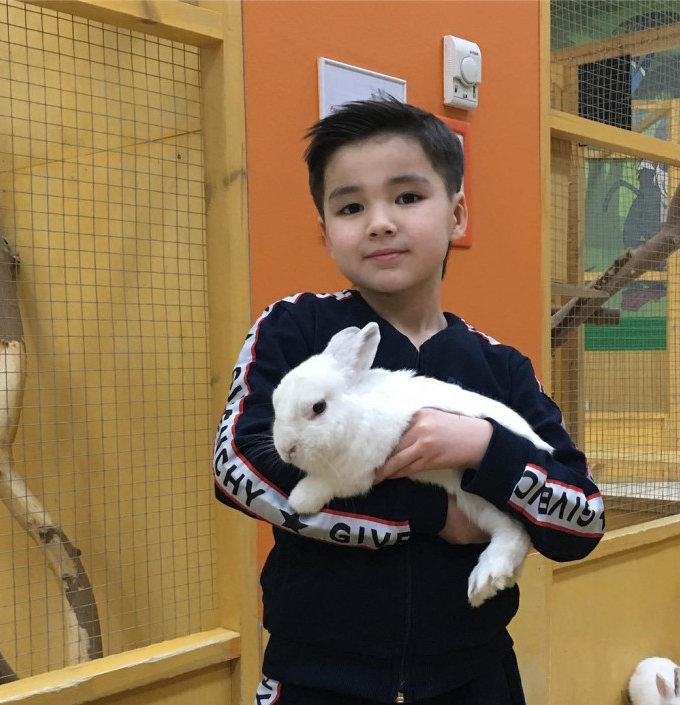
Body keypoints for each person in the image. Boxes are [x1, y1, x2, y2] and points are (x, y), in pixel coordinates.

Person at [213, 99, 605, 705]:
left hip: (474, 676)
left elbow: (581, 521)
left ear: (457, 213)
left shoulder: (501, 367)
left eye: (407, 197)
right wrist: (431, 515)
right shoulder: (295, 330)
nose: (379, 223)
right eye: (350, 207)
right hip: (316, 676)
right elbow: (239, 467)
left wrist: (484, 448)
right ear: (324, 230)